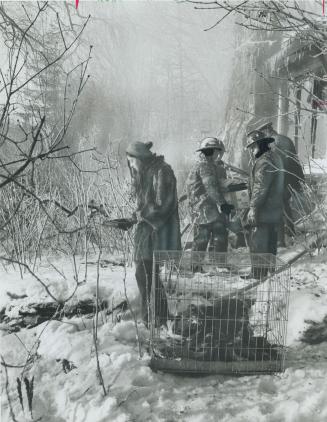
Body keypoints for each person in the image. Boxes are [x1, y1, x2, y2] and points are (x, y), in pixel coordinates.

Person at [126, 141, 181, 326]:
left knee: (146, 274)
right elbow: (146, 204)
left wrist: (142, 214)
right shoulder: (146, 172)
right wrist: (135, 216)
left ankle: (154, 320)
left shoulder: (161, 171)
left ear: (140, 159)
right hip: (147, 231)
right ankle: (158, 319)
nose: (131, 166)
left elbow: (163, 204)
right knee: (147, 275)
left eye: (132, 162)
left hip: (158, 232)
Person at [243, 130, 284, 279]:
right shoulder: (276, 157)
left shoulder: (264, 162)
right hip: (274, 210)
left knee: (258, 243)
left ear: (259, 145)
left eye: (252, 147)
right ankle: (269, 274)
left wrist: (253, 207)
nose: (251, 151)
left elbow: (261, 187)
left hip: (263, 211)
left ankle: (258, 275)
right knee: (271, 243)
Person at [256, 122, 305, 245]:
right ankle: (290, 232)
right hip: (292, 177)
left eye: (263, 133)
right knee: (285, 204)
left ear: (267, 130)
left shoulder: (273, 142)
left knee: (279, 205)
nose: (262, 137)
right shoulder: (285, 139)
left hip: (281, 177)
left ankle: (283, 238)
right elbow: (294, 160)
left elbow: (277, 163)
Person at [186, 137, 229, 258]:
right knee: (210, 236)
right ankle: (203, 267)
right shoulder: (205, 166)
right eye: (218, 151)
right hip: (204, 208)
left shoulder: (202, 165)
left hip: (203, 207)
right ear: (212, 151)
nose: (219, 154)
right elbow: (211, 187)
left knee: (207, 236)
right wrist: (223, 204)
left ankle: (204, 266)